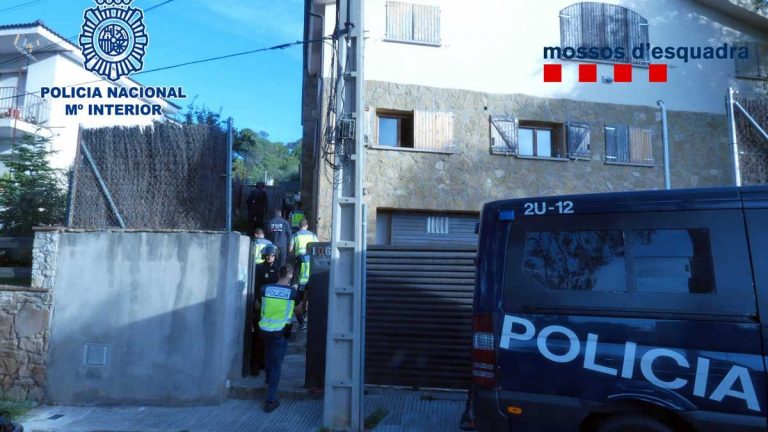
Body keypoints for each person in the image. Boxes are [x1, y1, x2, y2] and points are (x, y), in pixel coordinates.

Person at [257, 265, 302, 413]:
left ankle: (268, 379)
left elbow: (258, 305)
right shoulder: (292, 293)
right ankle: (270, 400)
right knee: (277, 363)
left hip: (264, 329)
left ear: (278, 273)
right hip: (279, 331)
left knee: (268, 353)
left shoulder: (265, 289)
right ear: (290, 276)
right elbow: (299, 310)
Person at [251, 244, 280, 375]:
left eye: (272, 255)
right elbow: (256, 285)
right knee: (258, 334)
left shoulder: (278, 269)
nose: (270, 257)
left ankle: (265, 363)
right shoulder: (259, 268)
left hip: (273, 307)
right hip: (261, 305)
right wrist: (257, 299)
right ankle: (256, 365)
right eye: (268, 255)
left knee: (270, 337)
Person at [288, 218, 318, 331]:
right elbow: (318, 247)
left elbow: (290, 249)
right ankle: (308, 318)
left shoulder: (295, 235)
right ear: (307, 225)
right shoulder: (313, 235)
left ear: (299, 225)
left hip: (299, 267)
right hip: (311, 266)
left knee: (299, 300)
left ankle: (302, 319)